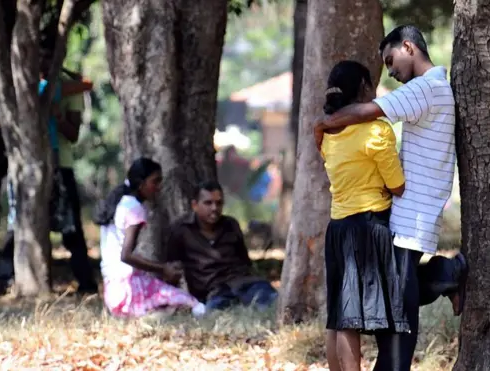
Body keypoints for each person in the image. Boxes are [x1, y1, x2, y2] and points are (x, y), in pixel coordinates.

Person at [315, 25, 468, 370]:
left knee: (398, 315)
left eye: (391, 60)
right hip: (408, 211)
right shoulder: (428, 90)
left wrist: (322, 124)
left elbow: (368, 111)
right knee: (394, 300)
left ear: (409, 47)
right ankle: (447, 273)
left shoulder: (427, 88)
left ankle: (449, 270)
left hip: (411, 214)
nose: (391, 71)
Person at [0, 52, 97, 293]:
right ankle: (7, 278)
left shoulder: (27, 87)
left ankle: (7, 279)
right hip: (34, 164)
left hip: (47, 163)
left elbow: (85, 86)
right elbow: (86, 84)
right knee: (24, 224)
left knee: (47, 225)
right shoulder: (39, 87)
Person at [319, 60, 408, 371]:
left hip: (338, 228)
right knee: (351, 319)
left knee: (338, 317)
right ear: (363, 89)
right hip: (367, 227)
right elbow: (396, 186)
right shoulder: (377, 131)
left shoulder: (329, 133)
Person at [93, 158, 206, 318]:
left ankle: (149, 315)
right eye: (155, 182)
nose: (158, 188)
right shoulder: (133, 208)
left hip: (113, 291)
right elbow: (126, 255)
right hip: (128, 288)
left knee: (170, 304)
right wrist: (163, 268)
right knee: (195, 306)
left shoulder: (119, 203)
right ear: (141, 184)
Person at [167, 181, 278, 311]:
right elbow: (171, 269)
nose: (214, 208)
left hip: (246, 283)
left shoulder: (231, 225)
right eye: (208, 203)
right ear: (194, 205)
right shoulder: (181, 230)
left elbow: (245, 261)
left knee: (273, 304)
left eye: (219, 203)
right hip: (214, 292)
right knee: (216, 315)